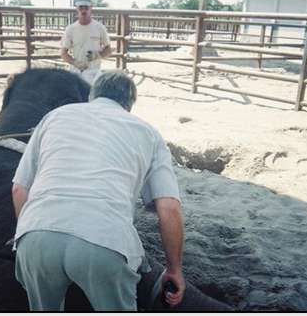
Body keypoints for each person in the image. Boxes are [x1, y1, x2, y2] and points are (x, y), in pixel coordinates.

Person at [12, 71, 185, 311]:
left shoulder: (54, 117)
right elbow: (170, 208)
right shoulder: (149, 133)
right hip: (105, 239)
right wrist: (174, 269)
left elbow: (20, 189)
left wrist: (33, 233)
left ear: (92, 95)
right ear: (129, 104)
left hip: (36, 234)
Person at [60, 0, 112, 84]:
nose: (83, 11)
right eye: (81, 7)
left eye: (86, 7)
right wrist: (75, 63)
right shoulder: (71, 29)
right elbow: (63, 53)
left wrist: (97, 55)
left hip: (94, 72)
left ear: (91, 8)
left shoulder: (99, 27)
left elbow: (108, 49)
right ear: (77, 9)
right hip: (76, 72)